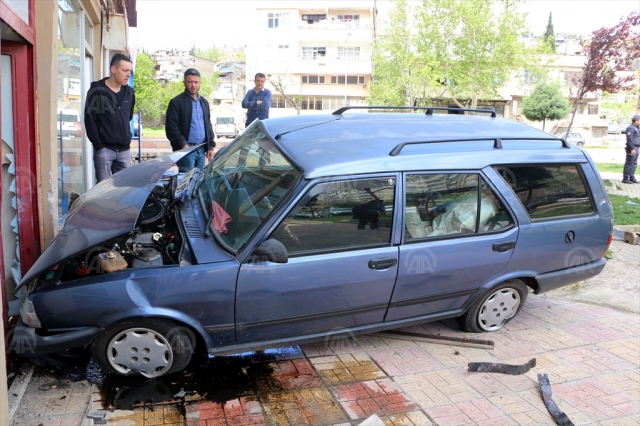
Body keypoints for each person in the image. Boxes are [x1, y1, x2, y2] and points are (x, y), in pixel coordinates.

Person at [84, 53, 136, 183]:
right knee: (103, 191)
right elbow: (90, 120)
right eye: (125, 70)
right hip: (104, 150)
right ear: (113, 69)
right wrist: (99, 146)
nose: (128, 74)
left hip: (124, 150)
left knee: (123, 190)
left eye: (130, 70)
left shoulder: (130, 93)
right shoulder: (97, 91)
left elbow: (128, 116)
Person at [165, 68, 216, 173]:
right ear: (184, 83)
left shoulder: (204, 102)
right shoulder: (176, 102)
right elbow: (171, 128)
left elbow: (208, 126)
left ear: (200, 83)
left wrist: (210, 146)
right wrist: (184, 145)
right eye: (190, 82)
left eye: (196, 82)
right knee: (186, 182)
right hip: (186, 150)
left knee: (199, 182)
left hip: (201, 149)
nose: (193, 85)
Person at [623, 115, 640, 184]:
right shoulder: (631, 128)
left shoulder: (637, 128)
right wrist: (632, 148)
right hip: (632, 148)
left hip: (637, 147)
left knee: (634, 163)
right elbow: (630, 139)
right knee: (629, 163)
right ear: (636, 121)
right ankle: (625, 178)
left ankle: (632, 177)